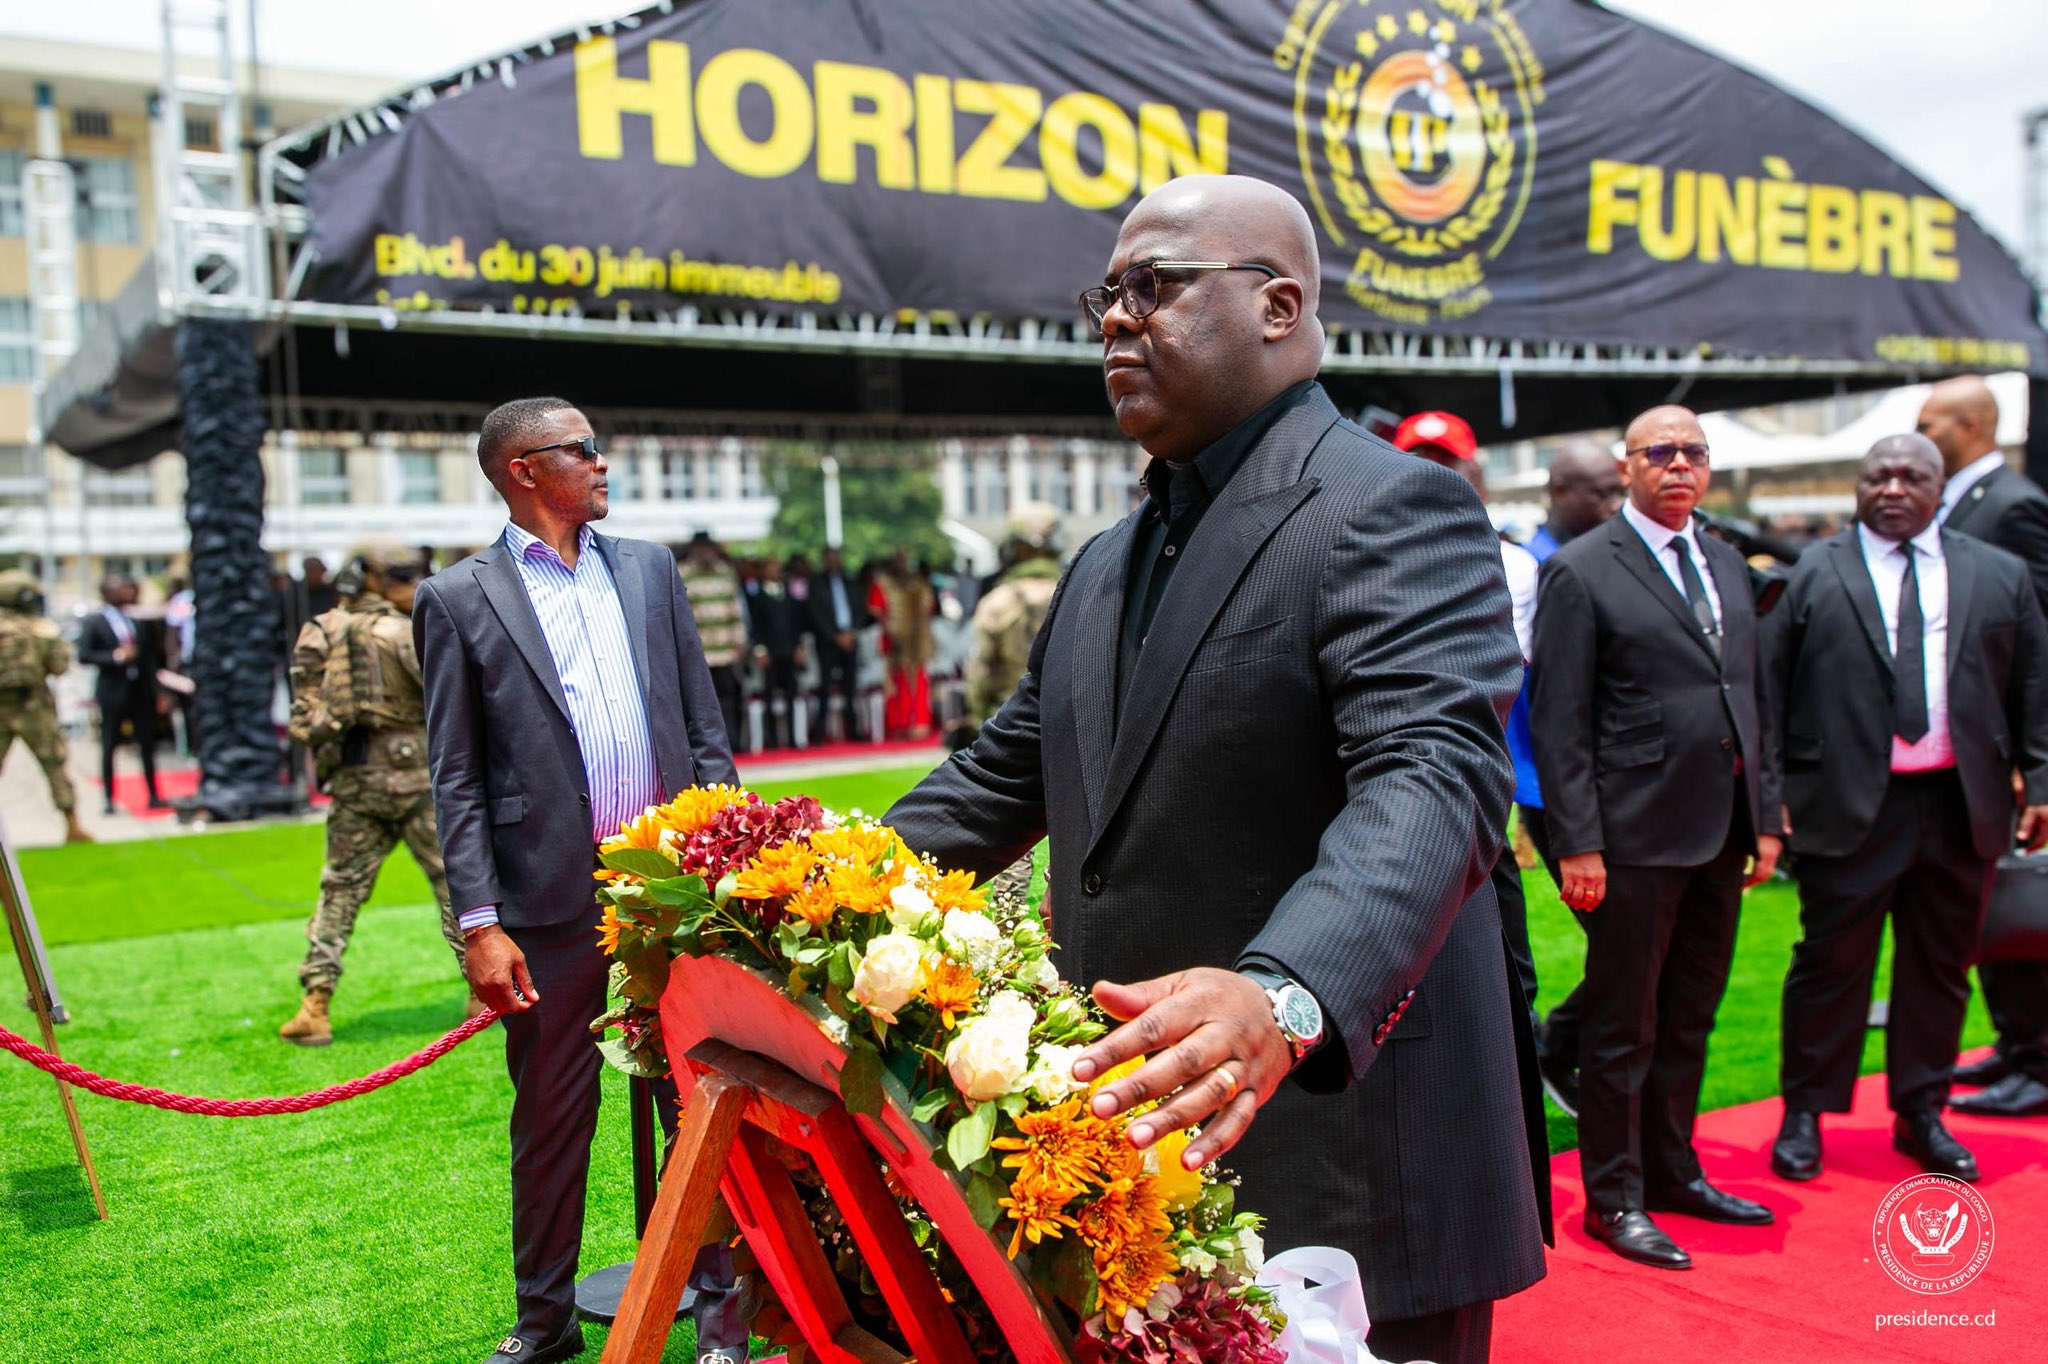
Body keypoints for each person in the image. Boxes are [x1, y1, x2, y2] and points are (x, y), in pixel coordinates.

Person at [886, 175, 1543, 1364]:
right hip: (1143, 1149)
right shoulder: (1100, 561)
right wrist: (800, 880)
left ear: (1278, 305)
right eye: (1107, 293)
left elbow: (1432, 775)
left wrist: (1282, 993)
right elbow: (998, 779)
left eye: (1156, 286)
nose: (1115, 320)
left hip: (1344, 1149)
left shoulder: (1391, 505)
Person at [414, 398, 741, 1364]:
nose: (604, 463)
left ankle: (724, 1320)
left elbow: (702, 724)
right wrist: (478, 922)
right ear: (524, 470)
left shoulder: (648, 567)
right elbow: (456, 775)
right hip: (545, 902)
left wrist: (729, 863)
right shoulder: (456, 597)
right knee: (554, 1114)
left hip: (674, 888)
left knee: (704, 1100)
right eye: (583, 449)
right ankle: (543, 1321)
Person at [1530, 404, 1784, 1270]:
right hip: (1630, 836)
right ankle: (1615, 1196)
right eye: (1661, 452)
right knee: (1622, 1024)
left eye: (1694, 452)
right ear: (1628, 466)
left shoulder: (1723, 563)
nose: (1680, 464)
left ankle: (1675, 1173)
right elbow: (1559, 721)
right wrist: (1577, 842)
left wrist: (1770, 821)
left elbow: (1750, 699)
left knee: (1690, 1016)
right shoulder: (1581, 570)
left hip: (1720, 829)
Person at [1766, 435, 2048, 1185]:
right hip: (1849, 804)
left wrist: (2041, 783)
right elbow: (1769, 689)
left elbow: (2033, 688)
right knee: (1830, 963)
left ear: (1940, 485)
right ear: (1858, 486)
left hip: (1961, 803)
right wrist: (1772, 799)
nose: (1893, 487)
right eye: (1878, 475)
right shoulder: (1813, 572)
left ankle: (1920, 1111)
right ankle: (1805, 1110)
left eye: (1911, 475)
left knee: (1941, 965)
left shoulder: (1998, 573)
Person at [1389, 413, 1546, 1049]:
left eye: (1447, 460)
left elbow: (1492, 679)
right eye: (1420, 457)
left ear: (1473, 471)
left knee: (1506, 965)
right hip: (1381, 787)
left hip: (1471, 790)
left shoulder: (1514, 564)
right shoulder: (1361, 549)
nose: (1434, 471)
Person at [1919, 375, 2048, 1120]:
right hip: (1973, 752)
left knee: (2025, 898)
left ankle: (2038, 1059)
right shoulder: (1963, 502)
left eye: (1930, 425)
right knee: (1992, 903)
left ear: (1971, 425)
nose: (1920, 435)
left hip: (2005, 751)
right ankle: (2017, 1041)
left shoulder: (2015, 506)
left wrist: (2036, 762)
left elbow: (2040, 644)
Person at [279, 539, 468, 1047]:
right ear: (370, 578)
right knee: (457, 883)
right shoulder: (403, 633)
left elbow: (303, 719)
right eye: (402, 575)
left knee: (339, 890)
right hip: (417, 783)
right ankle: (482, 996)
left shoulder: (318, 632)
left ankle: (315, 1003)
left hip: (355, 782)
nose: (413, 584)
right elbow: (448, 701)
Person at [1519, 439, 1624, 1116]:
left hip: (1605, 785)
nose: (1616, 504)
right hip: (1550, 788)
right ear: (1561, 492)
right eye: (1601, 493)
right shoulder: (1527, 570)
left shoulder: (1595, 560)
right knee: (1626, 946)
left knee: (1639, 948)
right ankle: (1558, 1048)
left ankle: (1563, 1050)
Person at [0, 569, 91, 843]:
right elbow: (59, 667)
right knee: (55, 766)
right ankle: (73, 826)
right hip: (34, 707)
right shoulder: (42, 630)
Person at [76, 574, 165, 814]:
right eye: (119, 588)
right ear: (106, 592)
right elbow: (84, 655)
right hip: (112, 692)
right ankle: (109, 799)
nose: (126, 592)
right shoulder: (95, 621)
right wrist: (115, 657)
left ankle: (154, 794)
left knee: (147, 744)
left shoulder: (137, 619)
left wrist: (158, 692)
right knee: (110, 745)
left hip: (140, 691)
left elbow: (151, 658)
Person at [680, 533, 749, 747]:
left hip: (725, 650)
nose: (706, 553)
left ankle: (732, 741)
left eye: (708, 549)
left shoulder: (724, 572)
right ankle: (707, 744)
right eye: (701, 549)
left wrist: (739, 640)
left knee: (728, 698)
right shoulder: (683, 573)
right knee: (701, 702)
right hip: (700, 651)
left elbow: (735, 609)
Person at [806, 545, 871, 742]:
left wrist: (851, 633)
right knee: (825, 686)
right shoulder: (816, 583)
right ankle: (820, 732)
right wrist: (835, 635)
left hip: (850, 639)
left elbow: (861, 609)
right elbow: (815, 612)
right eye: (830, 558)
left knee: (850, 686)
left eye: (837, 558)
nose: (834, 562)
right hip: (828, 642)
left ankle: (852, 729)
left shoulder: (850, 582)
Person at [746, 556, 808, 749]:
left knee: (791, 695)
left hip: (789, 651)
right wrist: (760, 650)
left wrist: (799, 646)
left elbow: (797, 624)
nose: (774, 571)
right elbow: (755, 626)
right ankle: (771, 738)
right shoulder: (757, 598)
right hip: (769, 653)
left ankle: (792, 737)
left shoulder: (789, 596)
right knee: (769, 696)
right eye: (770, 568)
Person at [876, 551, 935, 738]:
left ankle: (919, 723)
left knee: (919, 680)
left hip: (917, 639)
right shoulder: (883, 585)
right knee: (896, 682)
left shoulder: (918, 584)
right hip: (894, 642)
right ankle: (898, 725)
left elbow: (929, 607)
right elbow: (877, 612)